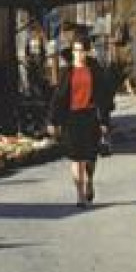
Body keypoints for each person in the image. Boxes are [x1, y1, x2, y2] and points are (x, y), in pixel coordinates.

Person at [48, 37, 113, 208]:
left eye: (81, 50)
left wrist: (104, 120)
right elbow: (58, 97)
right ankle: (80, 195)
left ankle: (89, 180)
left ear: (87, 51)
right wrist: (53, 121)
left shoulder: (95, 70)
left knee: (90, 156)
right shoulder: (67, 72)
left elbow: (105, 96)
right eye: (76, 50)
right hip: (72, 118)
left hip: (90, 116)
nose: (78, 54)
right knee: (76, 158)